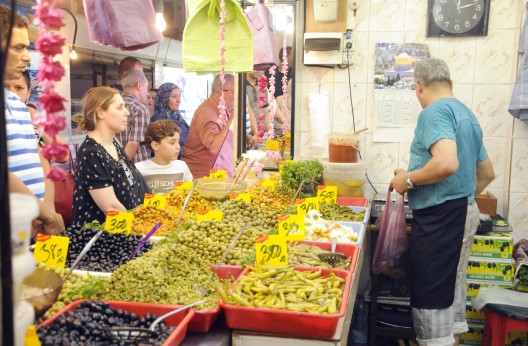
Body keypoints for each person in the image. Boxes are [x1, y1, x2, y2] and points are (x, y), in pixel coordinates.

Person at [389, 58, 495, 346]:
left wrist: (407, 180)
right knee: (452, 286)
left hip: (442, 219)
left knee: (432, 292)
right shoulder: (466, 114)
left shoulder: (434, 112)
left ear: (418, 88)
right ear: (450, 84)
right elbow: (486, 173)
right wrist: (460, 197)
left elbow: (447, 163)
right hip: (463, 212)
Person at [1, 5, 64, 235]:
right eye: (18, 48)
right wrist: (44, 213)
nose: (27, 57)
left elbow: (41, 160)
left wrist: (45, 208)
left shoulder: (18, 104)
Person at [72, 86, 151, 226]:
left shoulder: (115, 143)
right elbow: (112, 208)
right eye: (120, 107)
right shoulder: (91, 153)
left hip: (130, 229)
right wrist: (143, 226)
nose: (127, 112)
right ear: (101, 113)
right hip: (104, 239)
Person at [4, 71, 69, 212]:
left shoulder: (33, 117)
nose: (12, 94)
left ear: (28, 92)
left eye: (19, 88)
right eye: (5, 88)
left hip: (42, 207)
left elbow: (63, 156)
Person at [182, 74, 235, 178]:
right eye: (234, 92)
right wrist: (231, 119)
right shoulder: (206, 112)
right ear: (220, 92)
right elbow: (214, 148)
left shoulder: (224, 109)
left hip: (219, 172)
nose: (238, 96)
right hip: (201, 176)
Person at [135, 120, 193, 194]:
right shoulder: (139, 169)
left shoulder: (182, 166)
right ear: (155, 145)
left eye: (178, 141)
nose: (178, 147)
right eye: (172, 143)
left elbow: (190, 195)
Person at [114, 69, 150, 163]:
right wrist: (122, 166)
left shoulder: (112, 103)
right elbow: (134, 143)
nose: (147, 93)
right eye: (146, 88)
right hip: (135, 165)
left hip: (113, 160)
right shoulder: (139, 108)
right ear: (139, 85)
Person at [150, 82, 189, 157]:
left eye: (179, 96)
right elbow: (166, 148)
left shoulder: (177, 117)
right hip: (169, 165)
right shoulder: (158, 119)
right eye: (174, 97)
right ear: (164, 99)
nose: (179, 100)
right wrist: (189, 149)